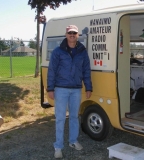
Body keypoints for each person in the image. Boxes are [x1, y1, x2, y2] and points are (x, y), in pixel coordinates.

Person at [47, 25, 92, 159]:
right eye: (69, 32)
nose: (72, 34)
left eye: (74, 33)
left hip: (76, 89)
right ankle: (58, 146)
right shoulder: (57, 51)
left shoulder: (82, 51)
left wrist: (88, 87)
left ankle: (73, 141)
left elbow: (86, 70)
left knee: (74, 117)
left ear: (78, 35)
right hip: (61, 89)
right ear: (66, 35)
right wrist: (50, 88)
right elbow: (52, 71)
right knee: (60, 118)